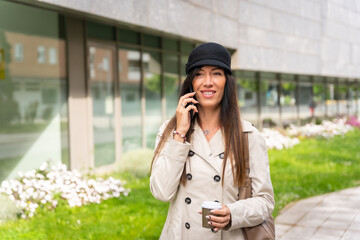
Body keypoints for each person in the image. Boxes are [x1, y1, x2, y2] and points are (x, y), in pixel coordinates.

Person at [150, 42, 274, 239]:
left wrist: (233, 213)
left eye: (216, 73)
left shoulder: (248, 135)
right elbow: (161, 192)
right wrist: (180, 134)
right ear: (191, 82)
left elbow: (265, 201)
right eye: (199, 74)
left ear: (227, 81)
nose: (208, 82)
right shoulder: (170, 131)